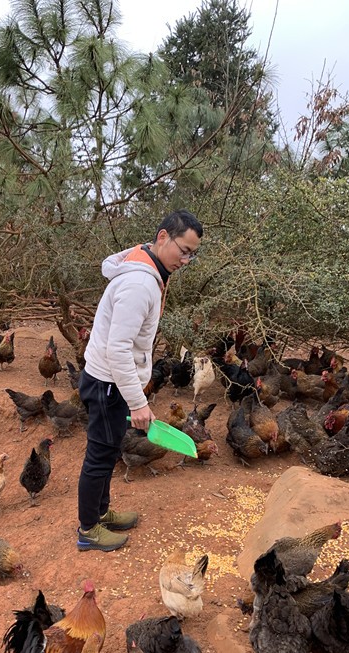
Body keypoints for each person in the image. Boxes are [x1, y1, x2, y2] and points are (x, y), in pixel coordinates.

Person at [76, 209, 203, 552]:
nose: (185, 261)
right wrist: (138, 403)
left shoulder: (148, 270)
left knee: (108, 450)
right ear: (163, 237)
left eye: (192, 255)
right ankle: (88, 530)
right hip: (108, 383)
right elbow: (118, 349)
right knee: (100, 456)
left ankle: (101, 513)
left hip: (111, 381)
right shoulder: (139, 284)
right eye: (184, 251)